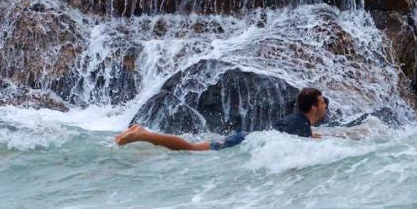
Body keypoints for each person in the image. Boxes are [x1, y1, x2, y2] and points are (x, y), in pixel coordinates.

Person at [115, 87, 329, 152]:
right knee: (190, 148)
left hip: (245, 138)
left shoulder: (299, 122)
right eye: (322, 102)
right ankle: (143, 135)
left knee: (194, 146)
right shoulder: (300, 124)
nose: (325, 105)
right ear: (313, 108)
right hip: (243, 142)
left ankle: (141, 132)